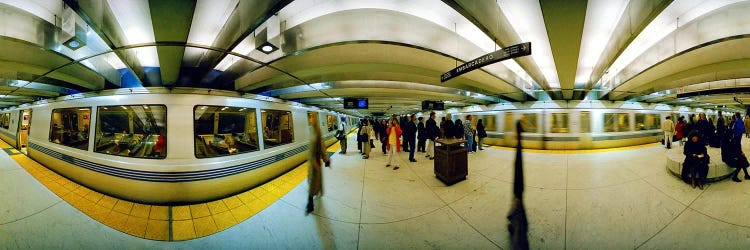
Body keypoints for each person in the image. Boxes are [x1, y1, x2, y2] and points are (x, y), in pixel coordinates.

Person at [306, 118, 331, 214]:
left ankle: (310, 203)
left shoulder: (317, 133)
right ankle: (313, 197)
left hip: (315, 163)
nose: (311, 119)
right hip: (311, 163)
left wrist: (326, 159)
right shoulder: (312, 130)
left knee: (313, 181)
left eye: (312, 118)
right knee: (312, 180)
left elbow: (321, 147)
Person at [722, 116, 750, 182]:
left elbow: (736, 148)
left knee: (742, 158)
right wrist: (736, 156)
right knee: (740, 162)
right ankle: (734, 176)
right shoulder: (725, 142)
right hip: (727, 157)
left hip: (732, 155)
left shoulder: (731, 140)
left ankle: (746, 175)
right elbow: (728, 152)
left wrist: (740, 153)